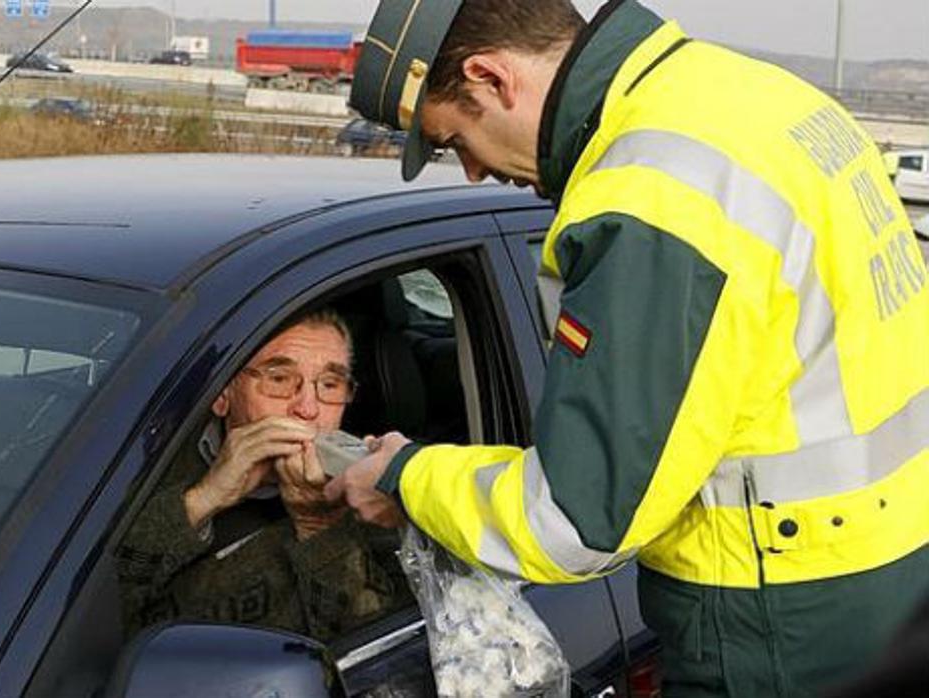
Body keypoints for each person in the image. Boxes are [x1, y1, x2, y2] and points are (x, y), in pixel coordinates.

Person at [327, 1, 929, 696]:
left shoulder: (652, 197)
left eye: (454, 139)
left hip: (774, 620)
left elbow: (574, 523)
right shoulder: (759, 99)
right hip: (891, 574)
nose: (471, 171)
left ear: (491, 78)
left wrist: (408, 474)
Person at [117, 308, 408, 642]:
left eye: (330, 384)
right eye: (279, 379)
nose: (308, 409)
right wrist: (204, 498)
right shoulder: (140, 465)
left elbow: (373, 658)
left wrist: (320, 527)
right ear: (223, 395)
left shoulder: (375, 500)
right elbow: (89, 607)